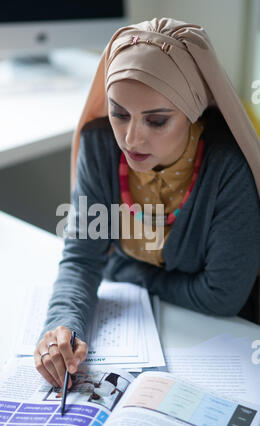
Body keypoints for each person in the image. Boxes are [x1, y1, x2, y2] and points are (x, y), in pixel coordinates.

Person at [34, 18, 260, 389]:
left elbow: (222, 297)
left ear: (192, 111)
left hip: (221, 341)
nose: (130, 138)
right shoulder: (100, 145)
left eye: (157, 120)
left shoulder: (227, 169)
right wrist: (62, 330)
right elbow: (82, 258)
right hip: (147, 325)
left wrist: (125, 272)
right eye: (118, 113)